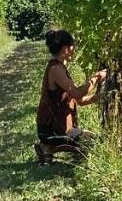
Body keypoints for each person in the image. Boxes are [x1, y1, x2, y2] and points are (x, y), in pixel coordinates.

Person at [35, 29, 106, 164]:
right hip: (53, 129)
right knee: (94, 142)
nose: (74, 49)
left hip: (55, 127)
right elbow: (78, 93)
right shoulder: (56, 70)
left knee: (91, 140)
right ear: (65, 48)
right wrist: (97, 78)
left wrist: (98, 97)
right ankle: (47, 146)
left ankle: (48, 147)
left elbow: (79, 100)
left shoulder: (59, 68)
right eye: (72, 46)